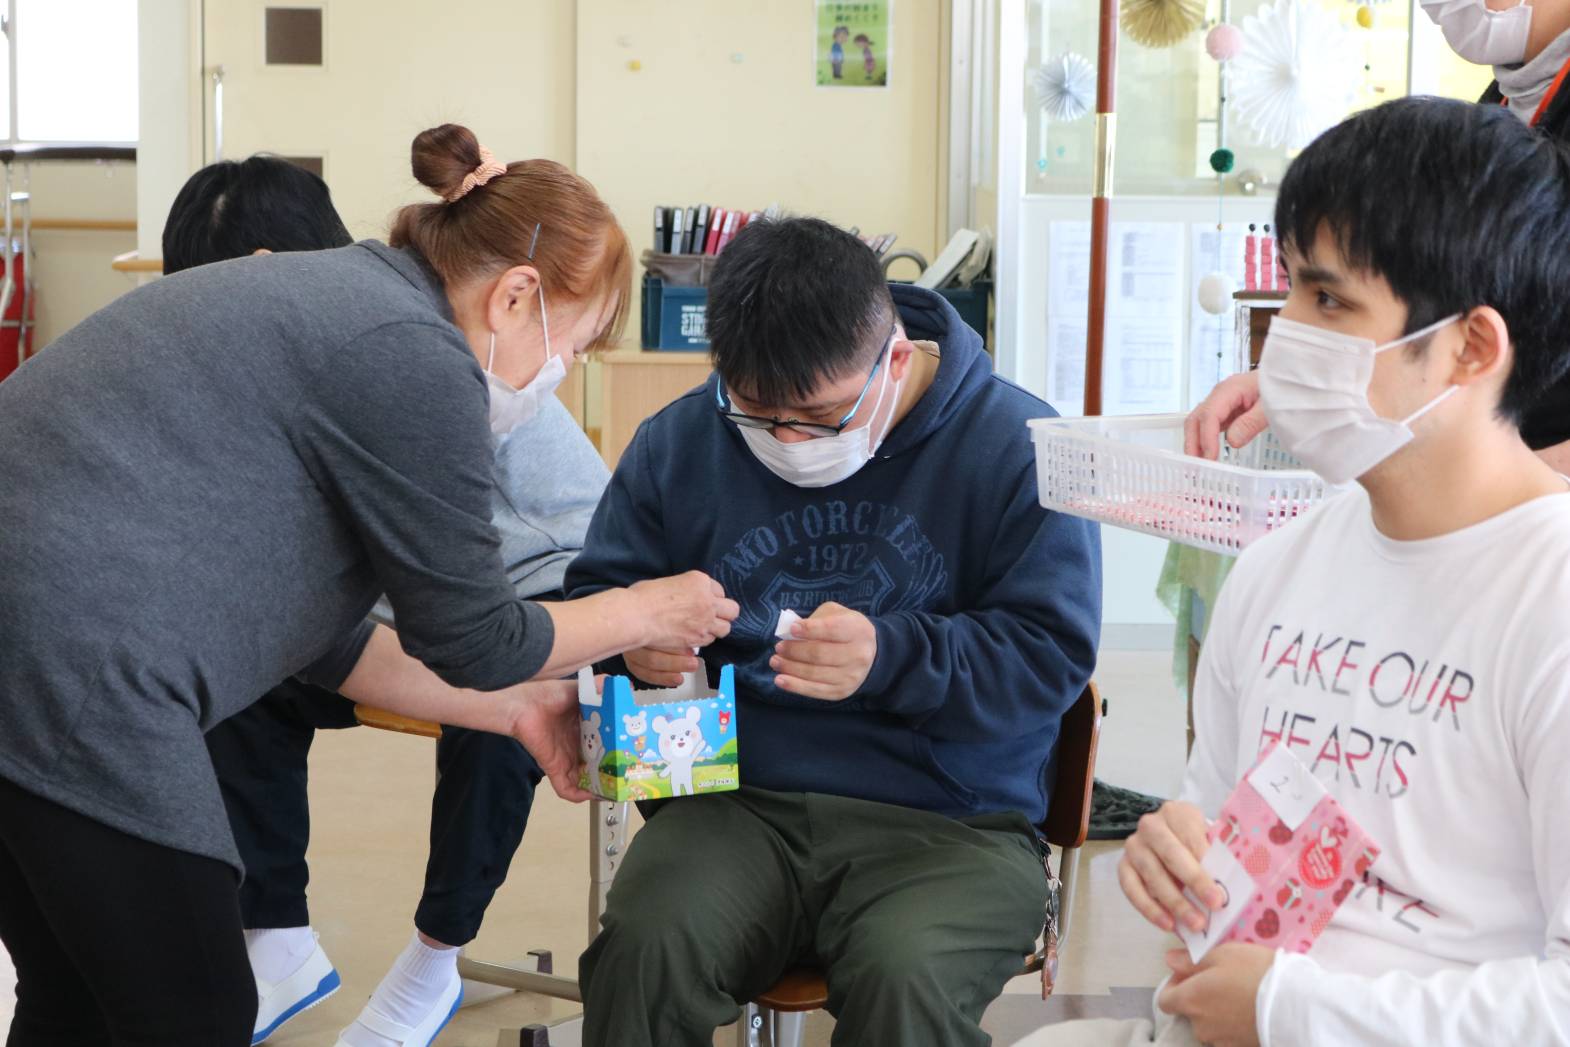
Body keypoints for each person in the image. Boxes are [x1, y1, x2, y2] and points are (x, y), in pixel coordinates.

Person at [0, 124, 737, 1046]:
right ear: (516, 295)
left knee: (75, 998)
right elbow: (476, 636)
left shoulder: (350, 302)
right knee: (193, 1008)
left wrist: (515, 710)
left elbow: (325, 639)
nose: (562, 374)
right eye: (576, 346)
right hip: (71, 661)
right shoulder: (415, 353)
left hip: (38, 639)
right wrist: (647, 607)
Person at [1030, 97, 1570, 1047]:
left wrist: (1288, 1012)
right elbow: (1220, 831)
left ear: (1471, 347)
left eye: (1328, 300)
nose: (1284, 334)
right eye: (1289, 289)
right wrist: (1176, 853)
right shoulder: (1280, 566)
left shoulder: (1547, 597)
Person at [565, 216, 1102, 1047]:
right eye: (756, 413)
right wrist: (633, 637)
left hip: (954, 823)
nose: (787, 439)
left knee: (905, 976)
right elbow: (595, 603)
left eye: (819, 416)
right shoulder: (681, 440)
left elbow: (1049, 657)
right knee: (646, 949)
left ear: (895, 359)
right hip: (734, 807)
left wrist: (893, 655)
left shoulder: (1021, 448)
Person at [158, 155, 613, 1047]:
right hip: (404, 599)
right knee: (238, 653)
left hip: (532, 585)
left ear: (265, 272)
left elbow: (464, 608)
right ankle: (275, 929)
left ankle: (436, 955)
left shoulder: (389, 349)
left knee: (507, 686)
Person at [1190, 0, 1570, 468]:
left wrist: (1506, 489)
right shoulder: (1505, 102)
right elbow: (1437, 307)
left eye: (1325, 296)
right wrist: (1309, 380)